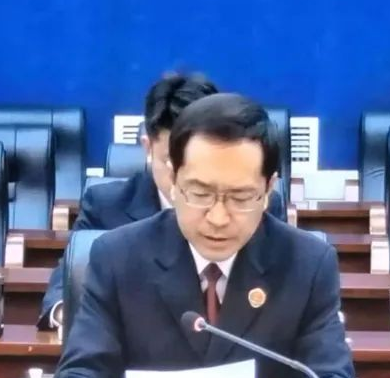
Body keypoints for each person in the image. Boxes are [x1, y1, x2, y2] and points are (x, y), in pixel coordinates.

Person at [55, 93, 360, 378]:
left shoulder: (307, 262)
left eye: (240, 198)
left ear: (268, 189)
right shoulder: (118, 256)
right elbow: (77, 377)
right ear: (173, 180)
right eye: (200, 194)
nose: (218, 218)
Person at [38, 73, 285, 329]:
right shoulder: (106, 205)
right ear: (148, 148)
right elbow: (67, 289)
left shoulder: (257, 204)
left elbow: (282, 290)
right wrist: (76, 316)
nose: (180, 173)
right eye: (171, 160)